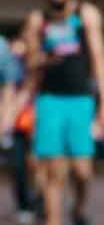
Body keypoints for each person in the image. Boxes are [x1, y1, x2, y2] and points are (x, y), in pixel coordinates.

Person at [24, 0, 104, 225]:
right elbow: (30, 63)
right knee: (53, 170)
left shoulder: (86, 14)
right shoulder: (38, 19)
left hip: (81, 100)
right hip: (50, 99)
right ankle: (54, 219)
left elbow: (98, 58)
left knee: (82, 170)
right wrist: (40, 57)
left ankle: (79, 208)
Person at [2, 37, 40, 224]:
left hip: (38, 124)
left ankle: (39, 202)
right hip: (17, 126)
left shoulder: (37, 69)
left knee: (38, 166)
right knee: (18, 167)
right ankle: (24, 205)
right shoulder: (8, 70)